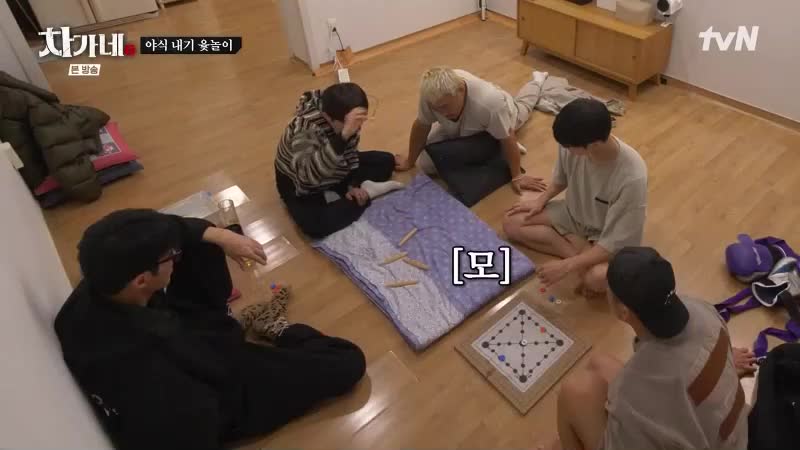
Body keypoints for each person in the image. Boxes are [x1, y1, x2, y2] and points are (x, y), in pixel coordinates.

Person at [54, 209, 366, 450]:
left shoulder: (96, 285)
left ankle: (232, 326)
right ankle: (281, 330)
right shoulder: (152, 383)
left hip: (183, 335)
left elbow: (174, 228)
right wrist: (249, 364)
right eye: (170, 258)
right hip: (219, 384)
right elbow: (202, 421)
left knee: (202, 243)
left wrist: (222, 236)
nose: (175, 258)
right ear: (141, 280)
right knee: (348, 360)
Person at [551, 247, 754, 450]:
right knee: (599, 363)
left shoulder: (634, 386)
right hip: (734, 435)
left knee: (573, 391)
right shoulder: (701, 309)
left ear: (623, 312)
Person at [504, 98, 647, 296]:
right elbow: (560, 180)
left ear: (593, 145)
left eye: (569, 147)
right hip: (572, 214)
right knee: (511, 222)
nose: (565, 149)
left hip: (604, 235)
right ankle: (579, 253)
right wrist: (540, 201)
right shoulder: (572, 145)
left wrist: (565, 267)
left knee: (597, 279)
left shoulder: (632, 177)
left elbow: (615, 242)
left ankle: (579, 253)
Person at [275, 82, 404, 239]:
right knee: (315, 226)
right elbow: (308, 177)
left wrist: (351, 185)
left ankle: (347, 192)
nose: (358, 127)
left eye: (361, 120)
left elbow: (350, 154)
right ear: (327, 117)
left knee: (386, 161)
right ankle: (367, 194)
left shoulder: (349, 118)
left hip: (334, 165)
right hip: (300, 181)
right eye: (353, 124)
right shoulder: (304, 129)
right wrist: (343, 137)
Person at [395, 66, 549, 194]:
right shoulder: (430, 96)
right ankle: (494, 138)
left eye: (445, 106)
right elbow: (422, 125)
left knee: (524, 107)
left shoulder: (491, 104)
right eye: (437, 109)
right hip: (464, 123)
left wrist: (517, 176)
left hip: (502, 112)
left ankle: (537, 81)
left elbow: (508, 137)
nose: (442, 113)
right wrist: (410, 161)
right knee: (427, 164)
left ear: (461, 90)